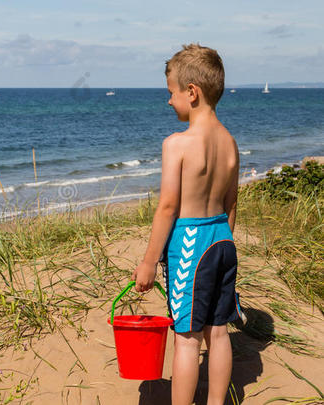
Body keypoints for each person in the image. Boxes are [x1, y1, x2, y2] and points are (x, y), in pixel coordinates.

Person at [131, 44, 243, 405]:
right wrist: (223, 237)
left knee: (187, 337)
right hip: (223, 241)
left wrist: (148, 261)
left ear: (191, 93)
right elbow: (232, 203)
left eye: (171, 93)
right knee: (219, 332)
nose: (168, 102)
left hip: (192, 245)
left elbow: (167, 207)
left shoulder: (176, 144)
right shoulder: (230, 143)